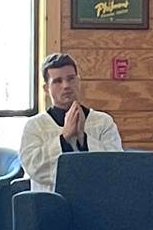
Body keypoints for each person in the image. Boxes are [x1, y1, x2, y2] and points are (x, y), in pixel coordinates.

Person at [20, 53, 123, 192]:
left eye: (71, 79)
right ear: (46, 89)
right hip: (50, 201)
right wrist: (64, 138)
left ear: (78, 81)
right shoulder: (35, 126)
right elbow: (34, 169)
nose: (66, 85)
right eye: (57, 81)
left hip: (95, 198)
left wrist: (83, 139)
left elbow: (116, 167)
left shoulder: (103, 122)